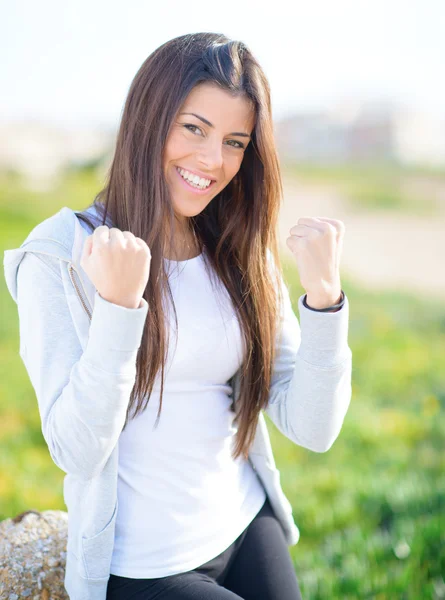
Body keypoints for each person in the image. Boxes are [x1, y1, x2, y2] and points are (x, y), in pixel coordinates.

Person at [3, 32, 353, 600]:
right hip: (144, 566)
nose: (213, 161)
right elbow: (75, 450)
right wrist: (119, 311)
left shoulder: (238, 246)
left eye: (236, 142)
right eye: (194, 128)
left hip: (245, 520)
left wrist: (324, 301)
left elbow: (313, 429)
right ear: (148, 118)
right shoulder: (61, 254)